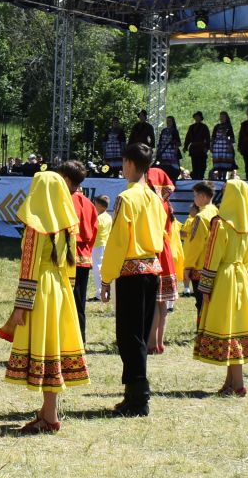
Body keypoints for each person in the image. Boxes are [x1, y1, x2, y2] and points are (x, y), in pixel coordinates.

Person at [0, 170, 88, 433]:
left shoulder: (35, 228)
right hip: (60, 290)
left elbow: (28, 269)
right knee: (54, 350)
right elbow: (69, 266)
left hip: (41, 291)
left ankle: (49, 417)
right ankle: (48, 410)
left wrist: (20, 307)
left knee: (47, 351)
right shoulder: (67, 224)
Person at [99, 143, 164, 417]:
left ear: (128, 163)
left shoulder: (127, 198)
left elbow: (118, 242)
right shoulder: (154, 198)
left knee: (129, 336)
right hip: (151, 269)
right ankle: (133, 394)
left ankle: (138, 397)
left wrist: (105, 276)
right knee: (138, 335)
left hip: (131, 272)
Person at [192, 177, 248, 396]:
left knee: (227, 328)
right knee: (237, 327)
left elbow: (212, 258)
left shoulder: (220, 223)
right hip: (241, 276)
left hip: (224, 279)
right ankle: (231, 382)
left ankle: (237, 384)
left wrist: (205, 287)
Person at [60, 161, 99, 335]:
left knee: (65, 303)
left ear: (66, 180)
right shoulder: (88, 203)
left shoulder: (64, 200)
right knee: (79, 303)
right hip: (84, 258)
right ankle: (80, 340)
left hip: (67, 257)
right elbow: (94, 229)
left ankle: (68, 340)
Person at [145, 167, 180, 355]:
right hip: (165, 248)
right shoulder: (167, 204)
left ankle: (151, 342)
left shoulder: (152, 202)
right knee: (163, 302)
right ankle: (159, 341)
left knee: (155, 300)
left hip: (155, 247)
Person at [183, 112, 210, 181]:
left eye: (198, 117)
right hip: (194, 149)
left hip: (201, 148)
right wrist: (185, 146)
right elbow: (188, 137)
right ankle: (195, 177)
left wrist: (207, 147)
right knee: (195, 164)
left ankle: (200, 177)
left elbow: (207, 138)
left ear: (201, 118)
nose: (197, 118)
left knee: (202, 165)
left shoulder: (204, 127)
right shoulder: (191, 127)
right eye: (195, 117)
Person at [210, 112, 236, 180]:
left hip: (225, 147)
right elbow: (213, 137)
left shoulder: (229, 126)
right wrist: (211, 145)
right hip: (217, 148)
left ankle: (224, 178)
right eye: (220, 116)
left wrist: (228, 141)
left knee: (225, 163)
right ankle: (219, 177)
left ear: (226, 118)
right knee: (218, 163)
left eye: (223, 117)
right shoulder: (216, 126)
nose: (221, 118)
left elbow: (232, 137)